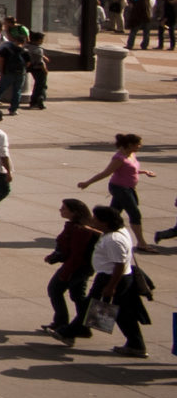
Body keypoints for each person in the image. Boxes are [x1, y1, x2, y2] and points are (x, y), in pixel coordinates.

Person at [82, 207, 148, 356]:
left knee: (119, 313)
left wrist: (111, 287)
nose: (92, 220)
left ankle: (75, 330)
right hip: (116, 277)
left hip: (112, 278)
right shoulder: (118, 232)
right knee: (123, 312)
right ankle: (136, 344)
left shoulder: (113, 240)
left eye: (95, 218)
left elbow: (119, 264)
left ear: (105, 222)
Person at [44, 199, 99, 340]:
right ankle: (82, 328)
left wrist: (65, 273)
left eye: (64, 208)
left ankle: (62, 324)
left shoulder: (81, 230)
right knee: (78, 295)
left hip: (77, 267)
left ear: (74, 212)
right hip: (84, 267)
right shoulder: (78, 227)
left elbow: (77, 254)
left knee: (55, 289)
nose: (60, 210)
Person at [82, 134, 153, 241]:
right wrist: (87, 182)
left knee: (113, 213)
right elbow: (105, 173)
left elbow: (130, 170)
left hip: (128, 188)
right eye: (138, 144)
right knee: (135, 214)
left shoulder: (131, 154)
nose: (140, 146)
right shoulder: (119, 158)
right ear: (130, 145)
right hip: (120, 188)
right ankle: (141, 243)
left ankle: (91, 230)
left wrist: (144, 172)